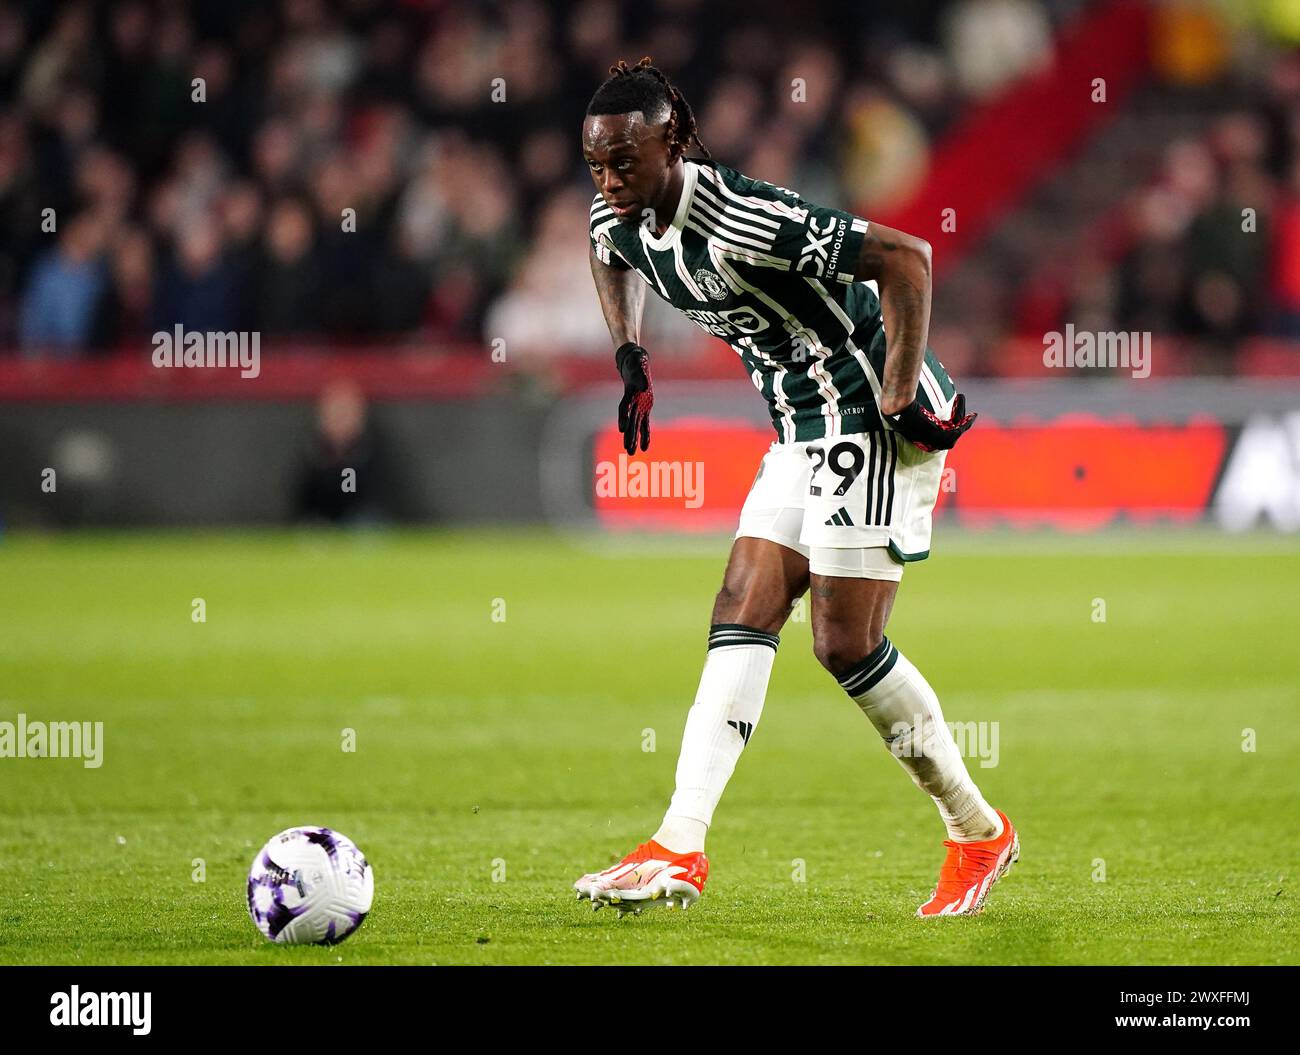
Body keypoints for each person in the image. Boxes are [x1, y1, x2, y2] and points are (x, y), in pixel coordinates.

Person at [573, 58, 1018, 918]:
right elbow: (607, 251)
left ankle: (976, 829)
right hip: (797, 427)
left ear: (674, 143)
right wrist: (630, 353)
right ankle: (679, 843)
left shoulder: (741, 215)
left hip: (872, 419)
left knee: (844, 644)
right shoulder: (620, 211)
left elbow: (906, 259)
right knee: (741, 603)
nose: (609, 180)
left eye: (624, 161)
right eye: (596, 163)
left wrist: (895, 386)